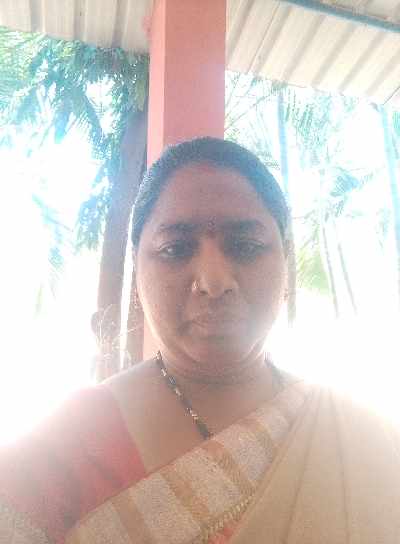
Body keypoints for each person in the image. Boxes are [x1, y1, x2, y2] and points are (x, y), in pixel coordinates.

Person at [1, 137, 399, 544]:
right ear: (137, 271)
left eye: (245, 247)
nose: (213, 281)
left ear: (285, 261)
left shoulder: (360, 442)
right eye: (175, 249)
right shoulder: (67, 447)